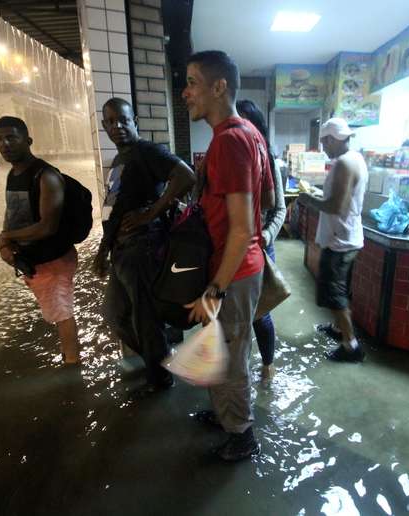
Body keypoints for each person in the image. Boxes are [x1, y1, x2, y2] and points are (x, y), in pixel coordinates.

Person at [182, 50, 275, 461]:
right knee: (219, 347)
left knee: (232, 357)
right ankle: (225, 416)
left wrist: (216, 289)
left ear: (220, 87)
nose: (185, 93)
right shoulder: (251, 134)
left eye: (193, 82)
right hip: (239, 265)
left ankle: (241, 435)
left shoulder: (230, 141)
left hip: (232, 271)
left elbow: (242, 228)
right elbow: (269, 199)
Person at [92, 97, 195, 395]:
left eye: (123, 120)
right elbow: (114, 209)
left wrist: (152, 212)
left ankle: (160, 377)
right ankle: (163, 357)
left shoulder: (146, 151)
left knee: (144, 317)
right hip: (121, 251)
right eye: (110, 122)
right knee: (115, 314)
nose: (117, 126)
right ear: (104, 126)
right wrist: (103, 249)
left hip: (142, 249)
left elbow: (186, 175)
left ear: (134, 120)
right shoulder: (120, 160)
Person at [0, 116, 81, 365]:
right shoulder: (14, 174)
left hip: (53, 259)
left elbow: (47, 226)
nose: (5, 144)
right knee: (56, 310)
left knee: (62, 313)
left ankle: (72, 366)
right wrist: (6, 244)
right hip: (33, 261)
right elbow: (12, 213)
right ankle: (69, 358)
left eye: (11, 137)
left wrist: (6, 237)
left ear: (28, 140)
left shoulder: (45, 177)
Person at [310, 118, 369, 363]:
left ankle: (350, 345)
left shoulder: (344, 163)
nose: (323, 147)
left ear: (332, 139)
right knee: (340, 288)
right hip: (346, 236)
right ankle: (338, 330)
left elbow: (337, 205)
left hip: (340, 241)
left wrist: (307, 199)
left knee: (336, 295)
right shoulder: (355, 159)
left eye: (324, 142)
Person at [236, 99, 286, 380]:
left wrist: (266, 236)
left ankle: (268, 365)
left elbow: (279, 208)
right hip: (232, 248)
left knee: (259, 312)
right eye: (237, 120)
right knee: (234, 316)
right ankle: (239, 372)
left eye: (247, 120)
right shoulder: (227, 157)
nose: (242, 127)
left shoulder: (267, 159)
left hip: (260, 247)